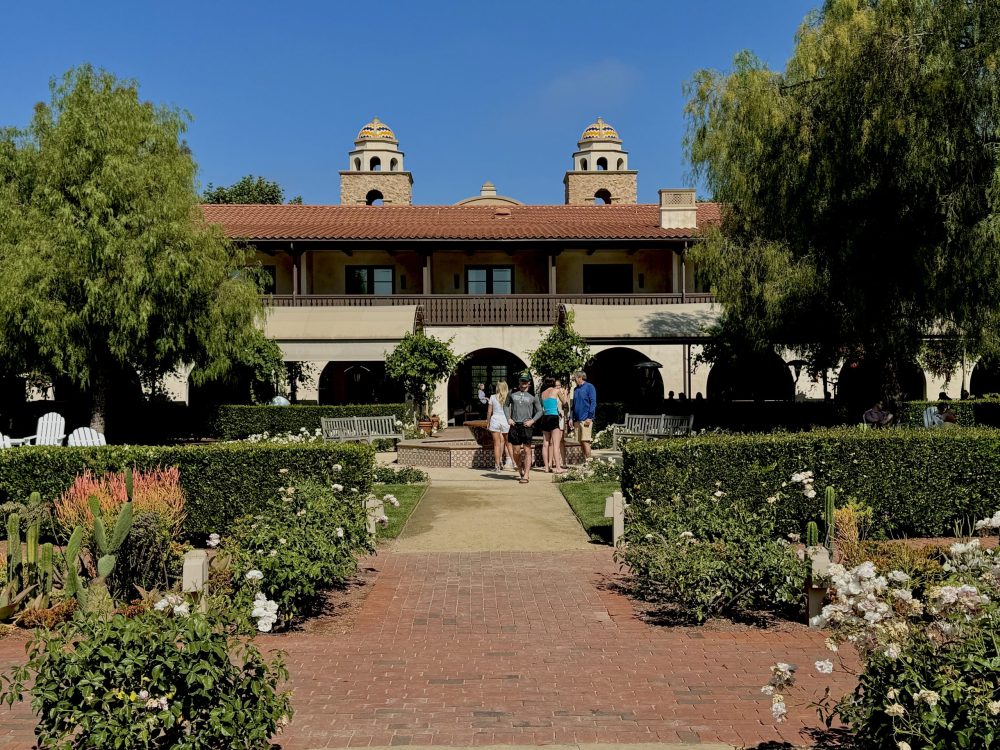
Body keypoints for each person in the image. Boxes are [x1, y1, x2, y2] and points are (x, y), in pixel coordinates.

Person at [505, 373, 542, 483]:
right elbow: (505, 405)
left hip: (527, 425)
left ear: (529, 382)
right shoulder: (512, 392)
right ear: (519, 381)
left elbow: (540, 411)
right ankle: (520, 468)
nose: (523, 383)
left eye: (525, 381)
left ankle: (526, 474)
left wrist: (532, 421)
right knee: (516, 451)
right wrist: (508, 418)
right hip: (515, 424)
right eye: (522, 381)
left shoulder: (533, 395)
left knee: (527, 450)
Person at [539, 377, 566, 474]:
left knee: (545, 443)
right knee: (556, 444)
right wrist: (565, 393)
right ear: (553, 383)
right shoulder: (556, 391)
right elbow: (564, 402)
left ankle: (546, 467)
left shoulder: (542, 393)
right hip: (553, 417)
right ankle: (558, 468)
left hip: (545, 417)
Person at [486, 381, 513, 471]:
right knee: (508, 443)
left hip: (495, 420)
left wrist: (488, 422)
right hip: (505, 420)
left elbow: (489, 412)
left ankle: (497, 466)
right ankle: (513, 463)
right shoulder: (508, 397)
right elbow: (510, 411)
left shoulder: (492, 397)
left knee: (496, 444)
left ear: (497, 387)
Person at [570, 370, 596, 461]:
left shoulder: (590, 387)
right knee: (580, 442)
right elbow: (573, 405)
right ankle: (586, 461)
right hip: (577, 419)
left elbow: (593, 403)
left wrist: (590, 417)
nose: (574, 380)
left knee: (585, 441)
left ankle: (589, 462)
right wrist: (571, 418)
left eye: (575, 378)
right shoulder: (575, 389)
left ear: (580, 378)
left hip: (586, 419)